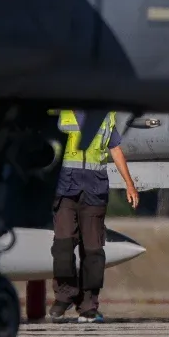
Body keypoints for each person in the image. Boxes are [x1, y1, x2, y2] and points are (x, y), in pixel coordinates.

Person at [49, 110, 139, 322]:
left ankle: (88, 305)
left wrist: (130, 185)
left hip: (94, 190)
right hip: (65, 188)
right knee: (62, 245)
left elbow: (115, 149)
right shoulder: (60, 113)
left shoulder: (105, 116)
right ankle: (64, 296)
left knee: (93, 251)